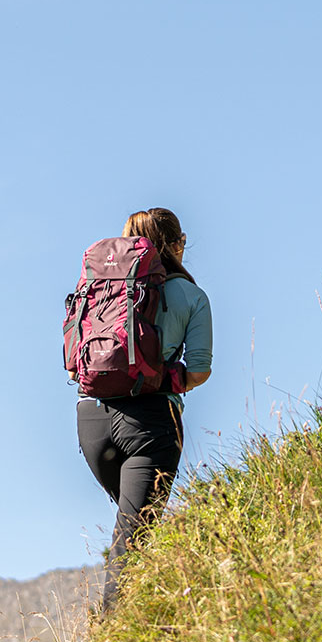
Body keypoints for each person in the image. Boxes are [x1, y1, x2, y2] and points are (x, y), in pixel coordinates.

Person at [76, 207, 212, 610]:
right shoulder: (191, 295)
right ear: (174, 244)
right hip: (150, 425)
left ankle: (159, 612)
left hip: (91, 419)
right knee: (133, 538)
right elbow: (200, 370)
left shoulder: (99, 288)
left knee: (138, 530)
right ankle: (112, 641)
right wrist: (157, 379)